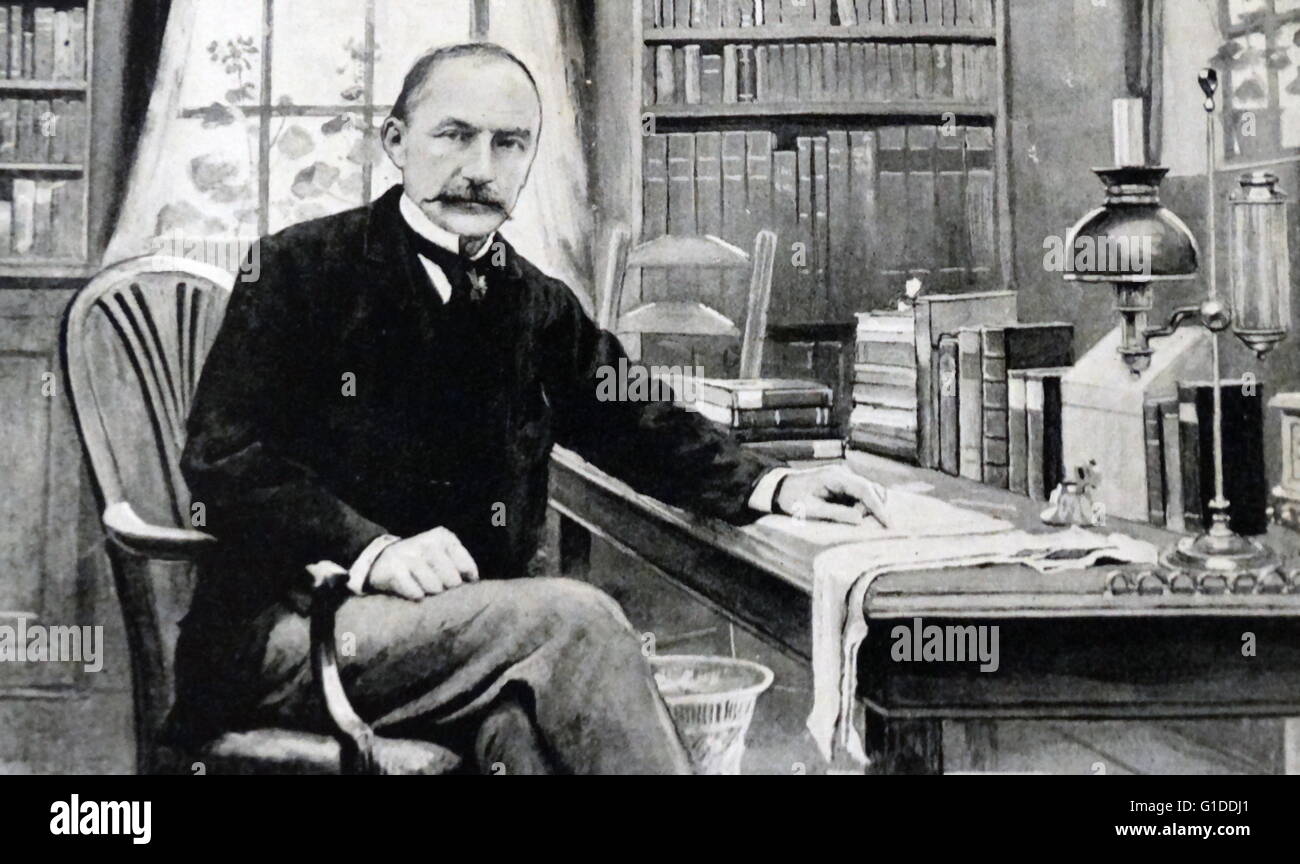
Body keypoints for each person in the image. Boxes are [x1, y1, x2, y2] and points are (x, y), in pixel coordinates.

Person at [176, 42, 888, 774]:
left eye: (508, 143)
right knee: (575, 624)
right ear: (395, 142)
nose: (480, 168)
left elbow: (630, 415)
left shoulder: (533, 301)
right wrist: (375, 550)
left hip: (468, 652)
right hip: (296, 633)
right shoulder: (297, 270)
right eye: (454, 135)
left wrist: (773, 485)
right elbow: (224, 458)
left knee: (526, 744)